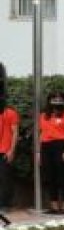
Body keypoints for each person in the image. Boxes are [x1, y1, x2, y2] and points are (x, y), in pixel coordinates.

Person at [38, 91, 64, 214]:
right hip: (46, 146)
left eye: (60, 99)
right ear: (49, 100)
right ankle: (53, 205)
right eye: (54, 99)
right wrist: (38, 152)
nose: (57, 101)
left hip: (61, 145)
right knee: (50, 176)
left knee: (63, 176)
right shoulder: (44, 115)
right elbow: (42, 133)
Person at [0, 86, 17, 214]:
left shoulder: (10, 113)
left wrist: (11, 150)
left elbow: (15, 133)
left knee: (5, 179)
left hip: (5, 150)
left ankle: (5, 205)